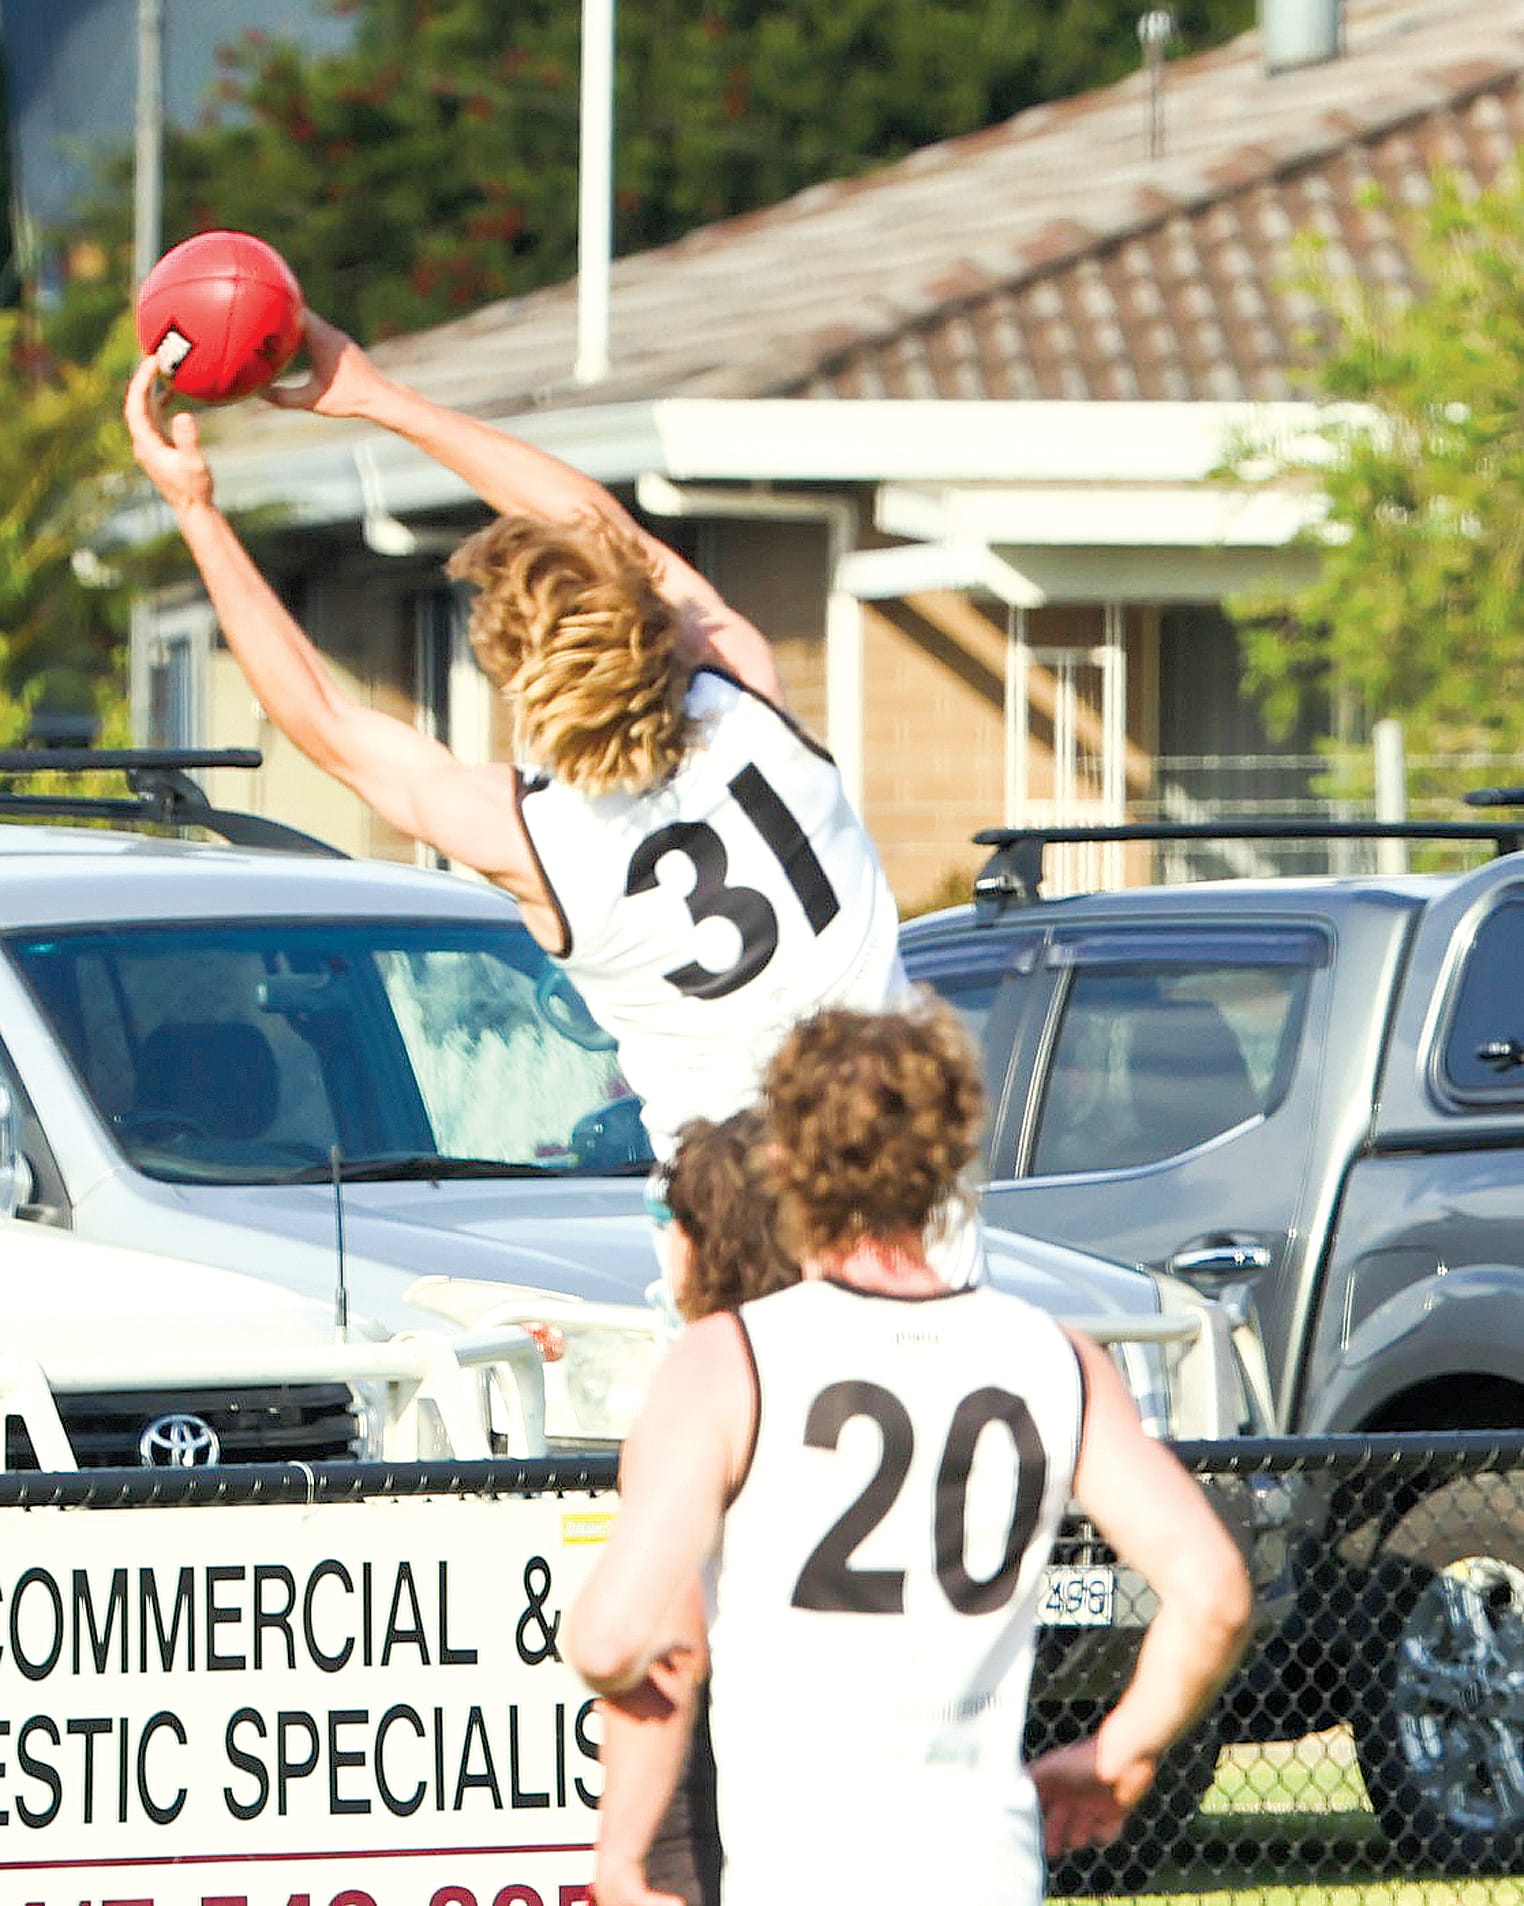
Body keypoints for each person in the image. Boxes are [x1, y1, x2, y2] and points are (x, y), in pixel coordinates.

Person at [121, 320, 906, 1172]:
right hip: (907, 1185)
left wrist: (195, 508)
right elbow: (600, 528)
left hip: (741, 1225)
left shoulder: (536, 841)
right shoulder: (748, 701)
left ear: (516, 678)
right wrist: (386, 401)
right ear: (650, 624)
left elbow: (324, 724)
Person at [565, 1000, 1254, 1906]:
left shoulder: (733, 1359)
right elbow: (1214, 1596)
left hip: (804, 1868)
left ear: (788, 1159)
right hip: (984, 1866)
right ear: (948, 1152)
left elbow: (616, 1635)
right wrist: (1120, 1750)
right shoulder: (1056, 1356)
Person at [598, 1107, 798, 1906]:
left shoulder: (704, 1382)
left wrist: (623, 1854)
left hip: (736, 1774)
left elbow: (659, 1645)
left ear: (700, 1238)